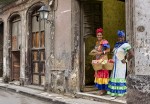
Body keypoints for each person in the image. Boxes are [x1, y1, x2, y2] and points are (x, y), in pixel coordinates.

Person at [107, 30, 134, 97]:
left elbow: (132, 54)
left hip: (120, 65)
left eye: (121, 37)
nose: (120, 38)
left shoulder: (126, 45)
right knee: (114, 76)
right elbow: (115, 54)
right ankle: (114, 93)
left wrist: (126, 60)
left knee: (119, 77)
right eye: (119, 37)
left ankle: (119, 93)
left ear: (124, 37)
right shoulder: (117, 45)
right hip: (115, 64)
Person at [92, 28, 110, 95]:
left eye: (100, 35)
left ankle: (103, 90)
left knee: (103, 74)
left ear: (102, 35)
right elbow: (97, 50)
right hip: (98, 59)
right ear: (96, 36)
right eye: (98, 35)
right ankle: (101, 89)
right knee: (98, 73)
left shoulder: (104, 42)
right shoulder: (97, 42)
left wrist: (102, 52)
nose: (99, 36)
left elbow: (108, 50)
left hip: (103, 59)